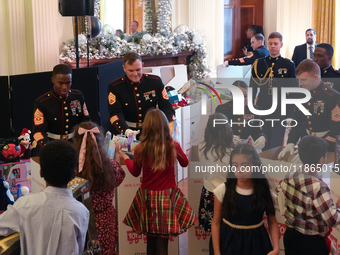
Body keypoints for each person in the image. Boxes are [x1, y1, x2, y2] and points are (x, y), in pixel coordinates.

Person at [120, 108, 197, 255]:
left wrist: (126, 158)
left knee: (150, 241)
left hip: (148, 198)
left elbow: (135, 173)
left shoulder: (140, 148)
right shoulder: (173, 145)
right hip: (167, 198)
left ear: (146, 128)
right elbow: (185, 163)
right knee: (163, 243)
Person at [0, 140, 89, 255]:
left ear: (41, 173)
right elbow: (80, 249)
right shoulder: (82, 212)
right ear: (73, 175)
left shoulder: (24, 205)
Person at [210, 143, 279, 255]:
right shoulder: (223, 190)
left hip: (257, 243)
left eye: (245, 165)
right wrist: (217, 253)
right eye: (235, 165)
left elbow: (272, 222)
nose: (239, 170)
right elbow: (216, 223)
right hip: (228, 242)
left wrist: (276, 248)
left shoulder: (264, 192)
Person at [278, 136, 340, 255]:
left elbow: (279, 192)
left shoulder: (290, 174)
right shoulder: (319, 187)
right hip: (312, 243)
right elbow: (333, 220)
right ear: (322, 159)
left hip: (291, 236)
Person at [73, 121, 125, 255]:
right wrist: (117, 154)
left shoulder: (73, 168)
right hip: (106, 220)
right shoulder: (110, 165)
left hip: (79, 221)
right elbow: (118, 179)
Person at [278, 60, 340, 162]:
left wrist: (315, 149)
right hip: (306, 143)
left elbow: (337, 130)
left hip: (327, 148)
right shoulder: (300, 94)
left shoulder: (332, 97)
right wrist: (291, 142)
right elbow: (297, 121)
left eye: (303, 80)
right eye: (299, 80)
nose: (300, 84)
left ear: (316, 78)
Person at [108, 52, 175, 137]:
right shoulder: (115, 87)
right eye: (131, 71)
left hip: (152, 131)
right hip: (126, 132)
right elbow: (115, 114)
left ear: (142, 66)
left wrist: (165, 126)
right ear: (124, 68)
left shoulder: (155, 82)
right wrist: (126, 131)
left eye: (138, 70)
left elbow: (167, 108)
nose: (135, 74)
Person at [250, 32, 297, 150]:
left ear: (281, 45)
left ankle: (275, 163)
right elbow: (253, 87)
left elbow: (293, 90)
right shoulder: (259, 64)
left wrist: (291, 113)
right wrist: (251, 106)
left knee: (277, 140)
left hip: (280, 107)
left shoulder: (288, 65)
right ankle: (265, 164)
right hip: (263, 105)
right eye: (270, 43)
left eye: (276, 43)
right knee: (263, 138)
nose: (273, 46)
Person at [32, 64, 90, 155]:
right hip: (51, 146)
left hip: (74, 146)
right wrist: (50, 148)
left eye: (68, 83)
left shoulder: (77, 96)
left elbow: (86, 121)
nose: (64, 87)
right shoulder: (42, 102)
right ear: (53, 80)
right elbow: (38, 132)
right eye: (60, 83)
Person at [197, 113, 234, 232]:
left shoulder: (201, 147)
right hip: (226, 195)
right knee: (227, 230)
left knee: (213, 230)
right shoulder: (231, 152)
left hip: (208, 193)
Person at [215, 80, 266, 150]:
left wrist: (261, 136)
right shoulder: (223, 109)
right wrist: (227, 137)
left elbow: (256, 130)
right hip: (226, 149)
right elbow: (216, 132)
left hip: (244, 149)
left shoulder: (253, 110)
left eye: (245, 96)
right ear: (231, 94)